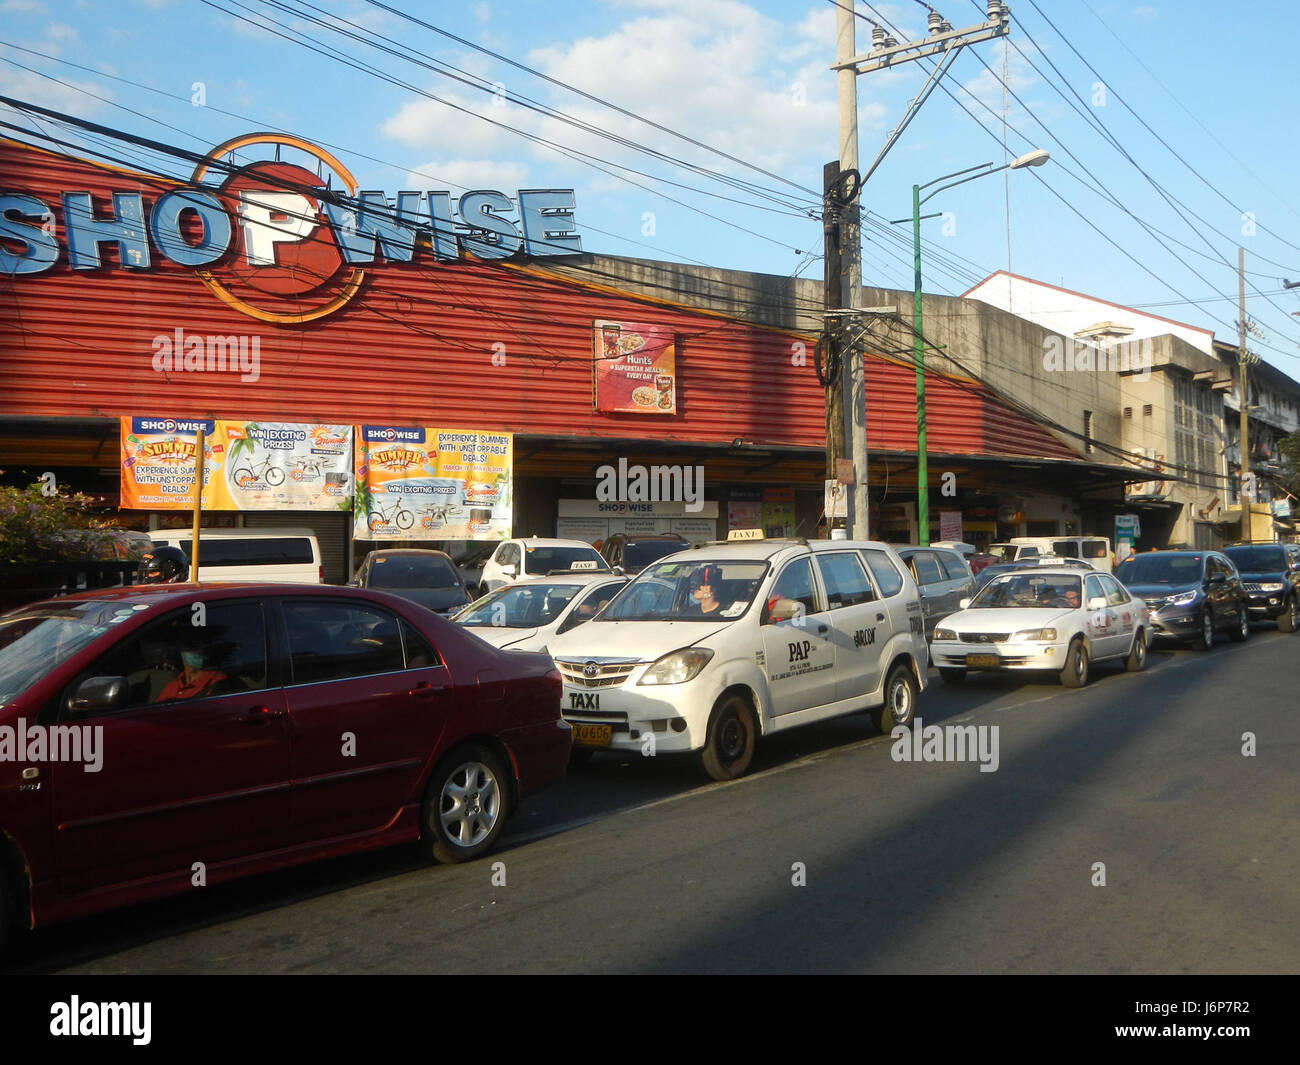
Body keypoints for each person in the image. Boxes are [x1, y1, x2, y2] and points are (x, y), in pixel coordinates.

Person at [155, 638, 228, 702]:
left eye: (201, 647)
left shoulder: (218, 682)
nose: (196, 652)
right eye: (191, 646)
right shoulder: (172, 686)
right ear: (181, 653)